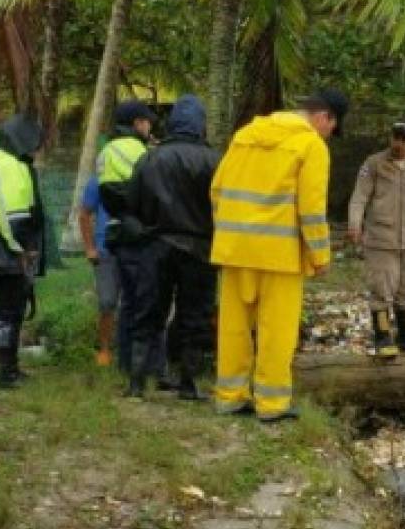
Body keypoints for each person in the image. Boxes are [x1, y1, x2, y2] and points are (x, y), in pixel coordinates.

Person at [210, 89, 346, 423]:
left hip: (235, 248)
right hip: (279, 254)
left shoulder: (245, 135)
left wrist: (230, 232)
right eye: (333, 126)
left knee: (234, 327)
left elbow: (217, 189)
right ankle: (271, 404)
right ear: (324, 117)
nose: (329, 134)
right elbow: (312, 209)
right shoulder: (311, 146)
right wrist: (320, 255)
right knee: (276, 329)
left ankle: (229, 396)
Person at [126, 95, 220, 400]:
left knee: (148, 312)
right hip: (201, 249)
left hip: (156, 245)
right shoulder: (215, 161)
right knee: (195, 315)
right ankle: (189, 384)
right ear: (200, 124)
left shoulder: (150, 158)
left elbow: (132, 204)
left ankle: (137, 383)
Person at [347, 121, 405, 359]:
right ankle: (383, 337)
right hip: (380, 239)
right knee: (381, 289)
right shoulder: (374, 164)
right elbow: (359, 197)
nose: (400, 143)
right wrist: (355, 225)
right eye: (396, 138)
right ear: (390, 138)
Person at [0, 114, 47, 389]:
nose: (38, 150)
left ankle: (9, 366)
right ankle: (7, 372)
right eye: (36, 143)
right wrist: (23, 249)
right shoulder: (10, 167)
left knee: (7, 308)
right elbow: (11, 216)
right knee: (9, 310)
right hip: (6, 250)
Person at [90, 100, 155, 374]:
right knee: (136, 302)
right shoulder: (143, 152)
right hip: (139, 236)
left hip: (116, 235)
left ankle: (125, 363)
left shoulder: (106, 153)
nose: (150, 126)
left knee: (122, 303)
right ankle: (140, 364)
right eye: (147, 121)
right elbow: (152, 192)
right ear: (138, 123)